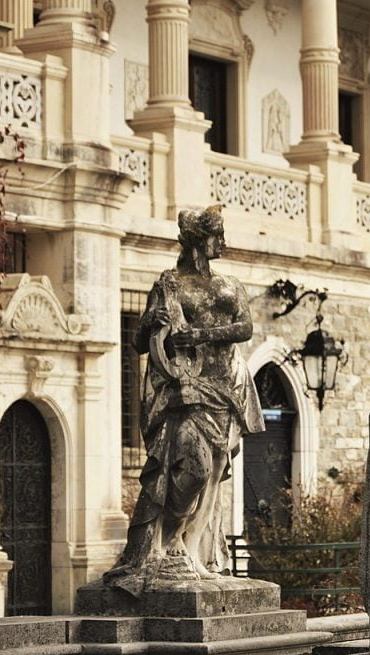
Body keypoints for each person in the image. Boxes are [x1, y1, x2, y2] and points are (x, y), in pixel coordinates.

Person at [106, 205, 263, 596]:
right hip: (183, 390)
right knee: (191, 469)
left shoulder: (230, 285)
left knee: (213, 476)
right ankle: (162, 546)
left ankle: (190, 552)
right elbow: (141, 342)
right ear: (199, 241)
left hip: (224, 388)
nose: (222, 243)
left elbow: (245, 328)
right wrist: (152, 324)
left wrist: (200, 336)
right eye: (217, 237)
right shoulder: (170, 285)